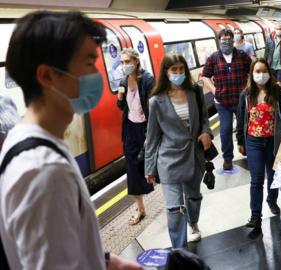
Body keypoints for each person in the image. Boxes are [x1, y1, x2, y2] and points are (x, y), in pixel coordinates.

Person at [0, 10, 141, 269]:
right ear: (47, 76)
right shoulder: (44, 171)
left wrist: (105, 262)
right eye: (88, 64)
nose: (96, 74)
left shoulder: (30, 142)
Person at [145, 53, 213, 248]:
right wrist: (149, 168)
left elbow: (204, 118)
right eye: (174, 70)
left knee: (193, 197)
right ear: (165, 73)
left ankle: (193, 223)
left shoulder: (195, 91)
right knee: (174, 209)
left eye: (181, 69)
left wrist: (206, 132)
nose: (178, 73)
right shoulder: (156, 101)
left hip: (194, 156)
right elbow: (152, 137)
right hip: (169, 160)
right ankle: (179, 250)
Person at [236, 58, 281, 228]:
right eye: (257, 72)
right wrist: (240, 141)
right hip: (253, 141)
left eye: (264, 71)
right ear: (252, 74)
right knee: (257, 178)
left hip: (273, 141)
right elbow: (240, 118)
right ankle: (255, 215)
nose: (261, 75)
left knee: (273, 176)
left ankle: (272, 200)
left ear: (269, 72)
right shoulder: (246, 94)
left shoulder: (276, 91)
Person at [202, 29, 251, 170]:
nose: (226, 42)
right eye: (223, 40)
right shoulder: (213, 58)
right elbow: (205, 76)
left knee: (244, 126)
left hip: (241, 100)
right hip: (222, 102)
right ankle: (227, 157)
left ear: (233, 40)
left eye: (229, 39)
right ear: (219, 41)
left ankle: (245, 148)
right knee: (225, 130)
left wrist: (248, 87)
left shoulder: (241, 55)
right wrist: (214, 90)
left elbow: (252, 71)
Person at [116, 48, 155, 225]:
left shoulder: (147, 80)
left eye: (127, 62)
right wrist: (120, 96)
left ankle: (175, 198)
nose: (125, 65)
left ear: (136, 62)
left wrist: (153, 132)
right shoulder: (123, 80)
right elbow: (121, 106)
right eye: (122, 62)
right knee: (132, 169)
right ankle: (140, 209)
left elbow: (154, 108)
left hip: (147, 128)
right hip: (131, 129)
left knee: (154, 165)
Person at [264, 23, 281, 87]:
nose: (279, 30)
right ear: (274, 29)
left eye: (280, 29)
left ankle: (279, 96)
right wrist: (265, 64)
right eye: (277, 29)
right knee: (272, 84)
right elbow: (266, 52)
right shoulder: (269, 39)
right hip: (271, 65)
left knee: (279, 85)